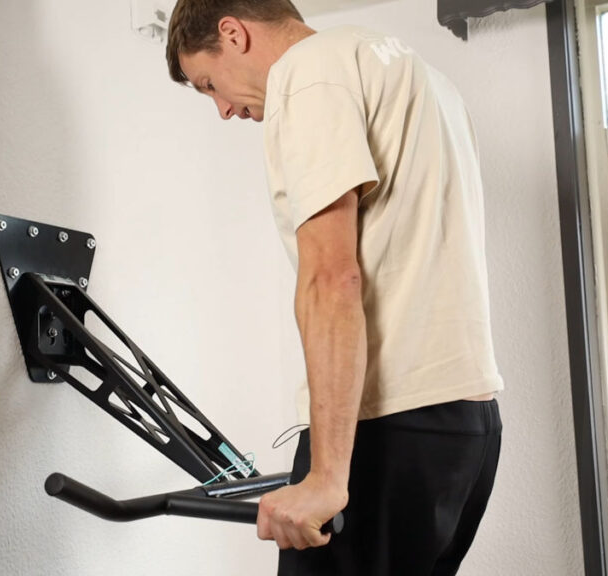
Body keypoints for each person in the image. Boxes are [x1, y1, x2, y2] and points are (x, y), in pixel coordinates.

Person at [166, 2, 504, 574]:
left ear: (233, 32)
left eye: (208, 82)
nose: (223, 109)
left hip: (387, 426)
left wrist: (325, 477)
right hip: (467, 427)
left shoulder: (309, 73)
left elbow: (332, 278)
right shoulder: (418, 74)